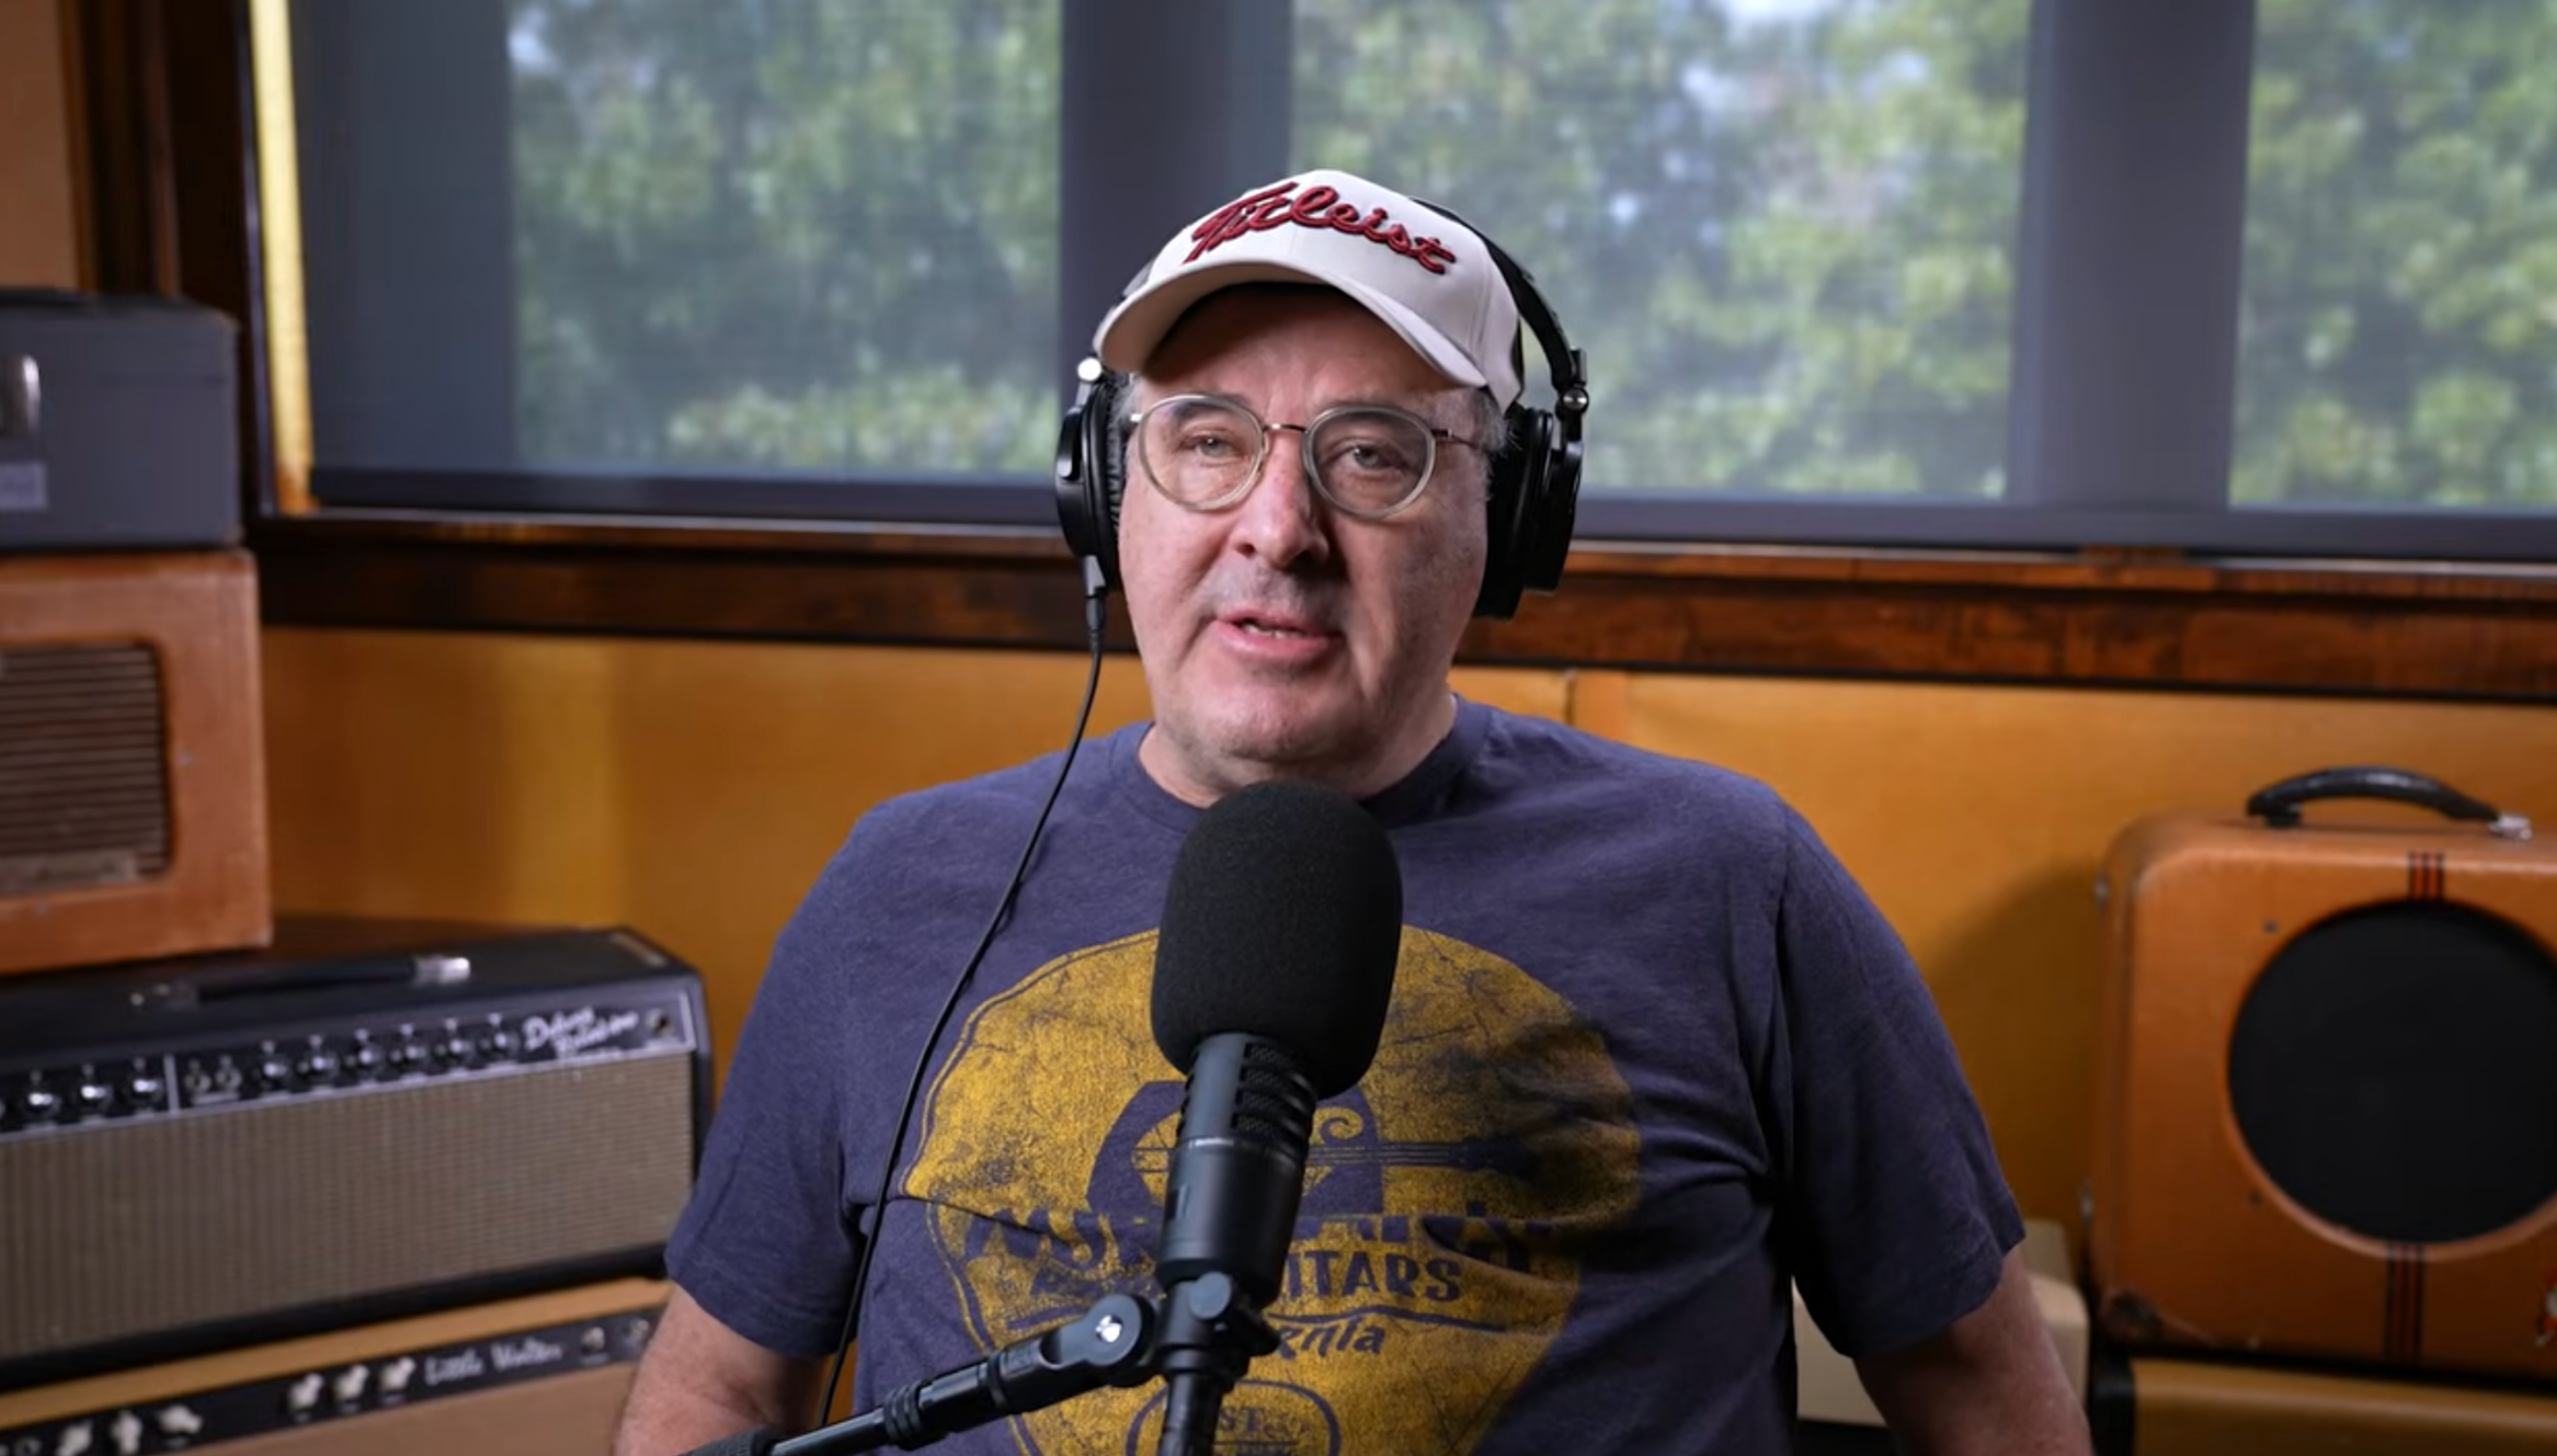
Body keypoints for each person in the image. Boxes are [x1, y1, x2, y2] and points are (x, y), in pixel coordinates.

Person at [613, 169, 2090, 1455]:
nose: (1277, 526)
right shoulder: (901, 886)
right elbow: (722, 1380)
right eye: (1207, 439)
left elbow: (1978, 1386)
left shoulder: (1730, 881)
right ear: (1104, 490)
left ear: (1507, 522)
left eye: (1374, 453)